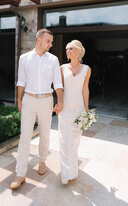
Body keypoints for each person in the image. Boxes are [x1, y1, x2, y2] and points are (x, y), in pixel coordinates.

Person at [10, 29, 63, 189]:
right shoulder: (24, 58)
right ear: (38, 40)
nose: (51, 44)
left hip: (46, 100)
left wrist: (60, 101)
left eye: (51, 42)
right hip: (29, 99)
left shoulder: (53, 60)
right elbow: (21, 81)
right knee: (25, 136)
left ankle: (42, 161)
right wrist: (19, 99)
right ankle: (20, 174)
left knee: (45, 133)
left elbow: (58, 83)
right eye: (48, 41)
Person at [56, 39, 91, 184]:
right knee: (64, 141)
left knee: (74, 142)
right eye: (66, 49)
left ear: (78, 51)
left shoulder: (87, 69)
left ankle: (72, 171)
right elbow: (59, 88)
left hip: (79, 109)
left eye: (70, 49)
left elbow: (85, 89)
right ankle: (65, 174)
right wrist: (59, 103)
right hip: (65, 110)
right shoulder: (62, 68)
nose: (67, 51)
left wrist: (87, 108)